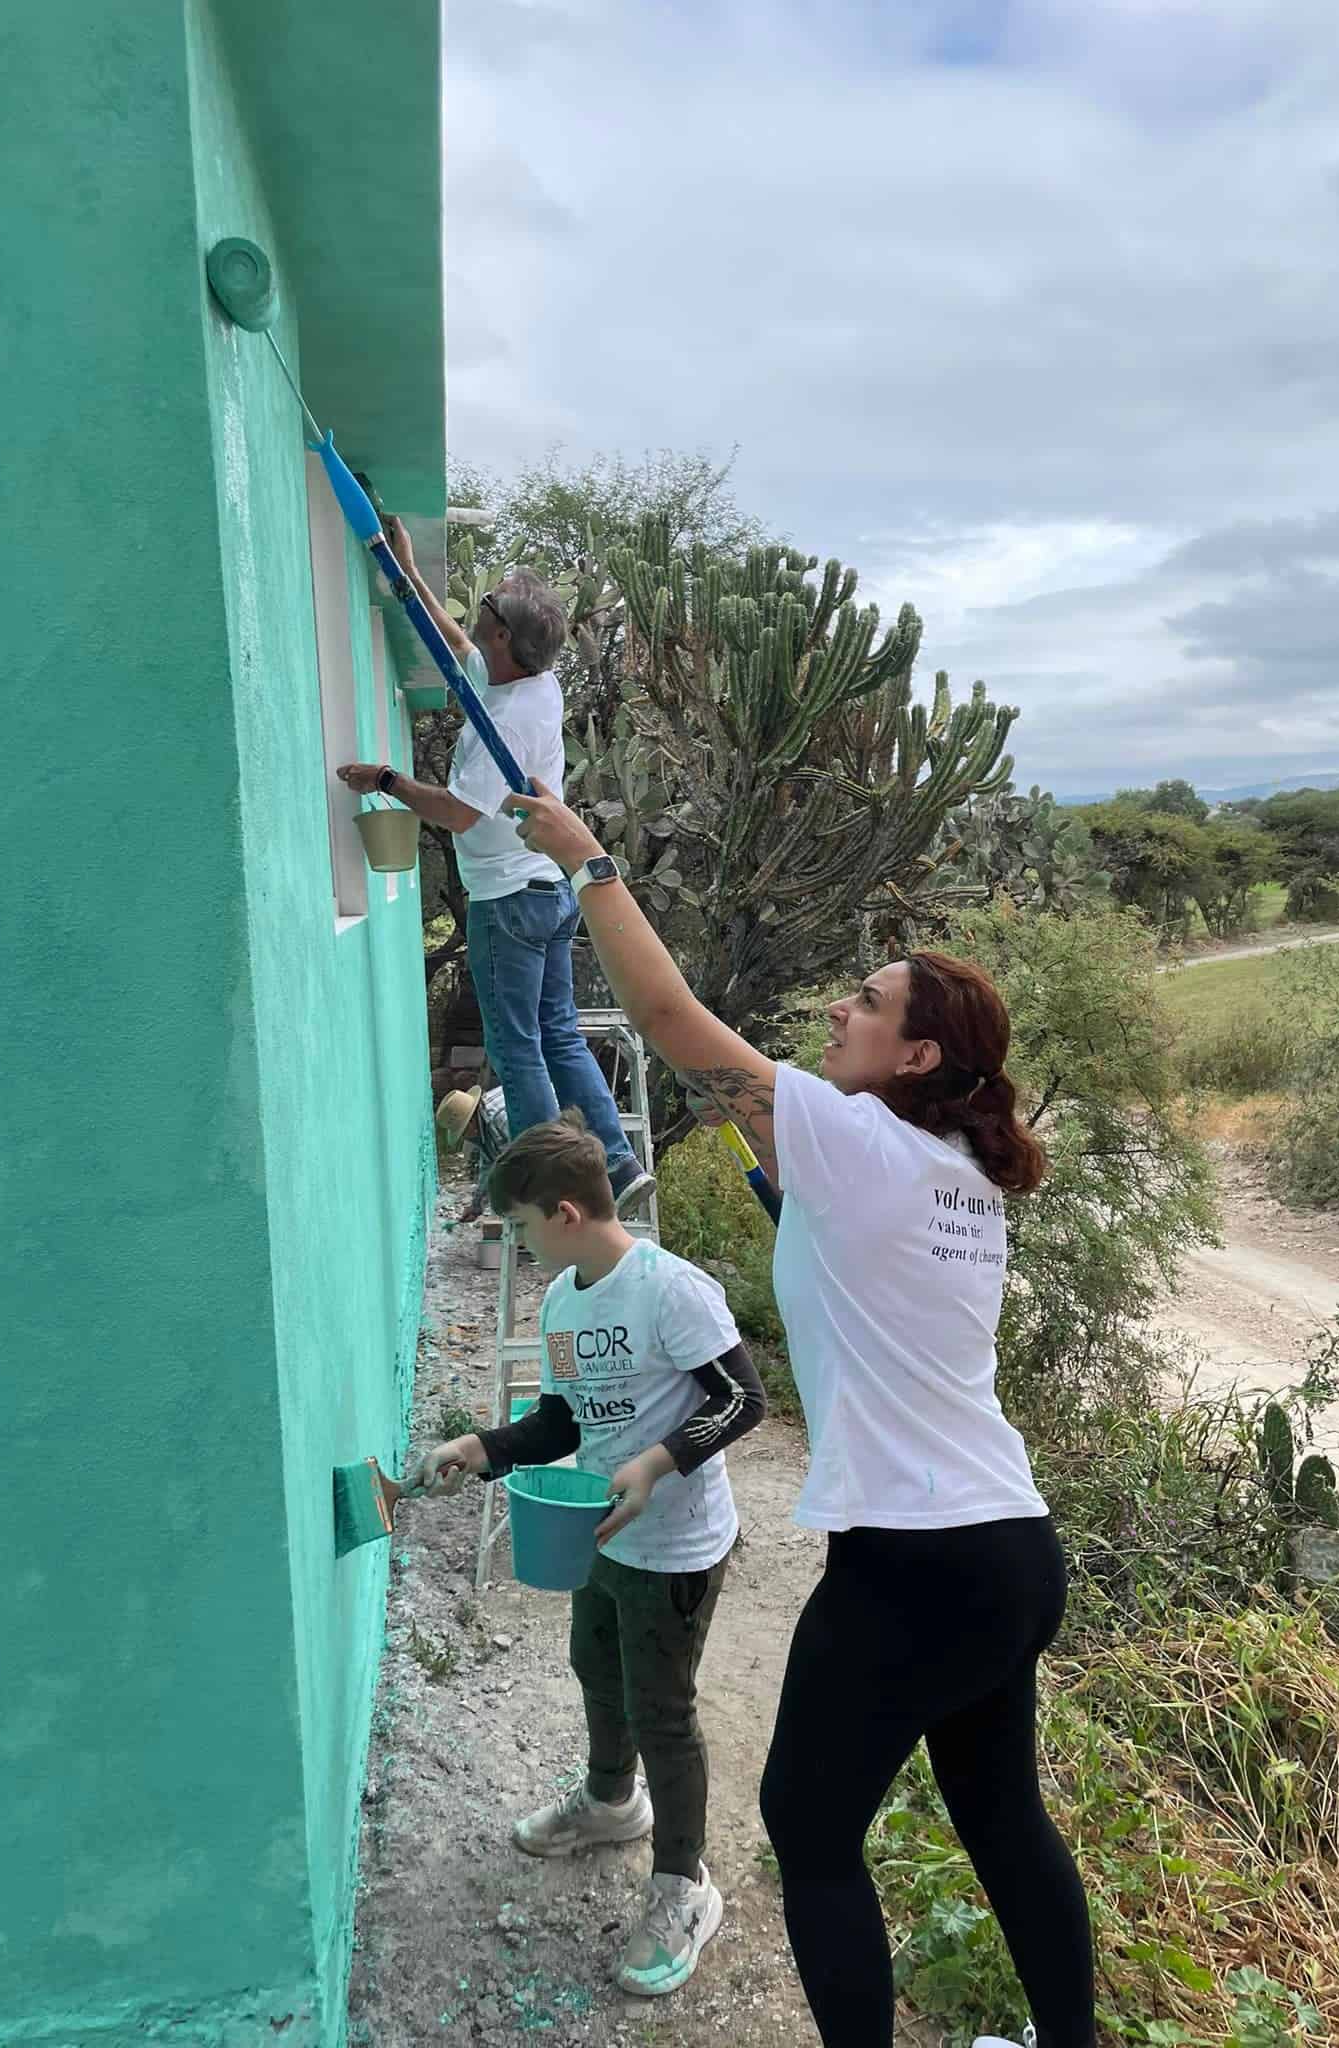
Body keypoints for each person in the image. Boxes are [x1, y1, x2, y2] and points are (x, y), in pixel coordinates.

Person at [497, 783, 1097, 2048]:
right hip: (1011, 1549)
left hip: (914, 1561)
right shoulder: (961, 1178)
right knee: (1001, 1814)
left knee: (810, 1832)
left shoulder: (861, 1145)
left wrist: (587, 858)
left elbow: (665, 1020)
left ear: (919, 1056)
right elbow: (837, 1250)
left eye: (868, 1005)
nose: (841, 1007)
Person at [415, 1111, 766, 1998]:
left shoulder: (669, 1290)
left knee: (663, 1710)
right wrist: (484, 1449)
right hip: (601, 1531)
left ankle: (686, 1885)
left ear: (566, 1211)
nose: (518, 1243)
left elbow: (743, 1401)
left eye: (522, 1227)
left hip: (677, 1541)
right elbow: (564, 1420)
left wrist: (654, 1462)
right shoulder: (566, 1296)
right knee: (592, 1663)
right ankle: (612, 1804)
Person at [337, 519, 655, 1217]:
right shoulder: (532, 685)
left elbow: (457, 813)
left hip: (507, 901)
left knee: (517, 1047)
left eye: (485, 612)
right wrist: (407, 572)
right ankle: (621, 1164)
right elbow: (457, 649)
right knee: (558, 1033)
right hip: (549, 892)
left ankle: (548, 1180)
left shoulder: (507, 723)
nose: (476, 617)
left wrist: (385, 778)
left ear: (505, 637)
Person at [434, 1080, 509, 1222]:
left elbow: (529, 1154)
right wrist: (476, 1205)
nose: (463, 1137)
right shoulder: (483, 1125)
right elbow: (489, 1165)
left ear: (470, 1123)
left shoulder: (500, 1117)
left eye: (461, 1131)